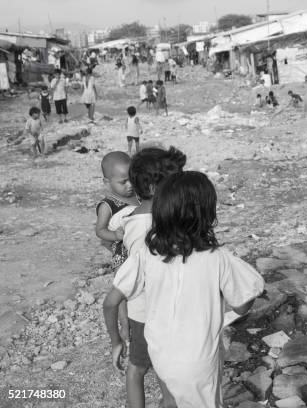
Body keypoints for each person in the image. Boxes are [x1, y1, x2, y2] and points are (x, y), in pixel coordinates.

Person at [107, 170, 264, 407]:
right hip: (199, 362)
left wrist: (116, 340)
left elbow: (110, 301)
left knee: (171, 400)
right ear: (207, 214)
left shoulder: (147, 254)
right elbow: (242, 304)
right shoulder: (218, 258)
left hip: (161, 354)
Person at [103, 147, 186, 408]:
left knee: (138, 368)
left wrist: (116, 339)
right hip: (160, 311)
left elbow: (114, 295)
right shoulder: (164, 221)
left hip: (144, 310)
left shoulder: (129, 220)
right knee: (158, 371)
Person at [95, 152, 140, 342]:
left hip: (138, 251)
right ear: (107, 182)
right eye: (123, 182)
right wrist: (114, 235)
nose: (129, 185)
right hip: (122, 254)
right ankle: (124, 323)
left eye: (132, 180)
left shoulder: (138, 198)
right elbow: (100, 231)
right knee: (122, 291)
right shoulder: (108, 205)